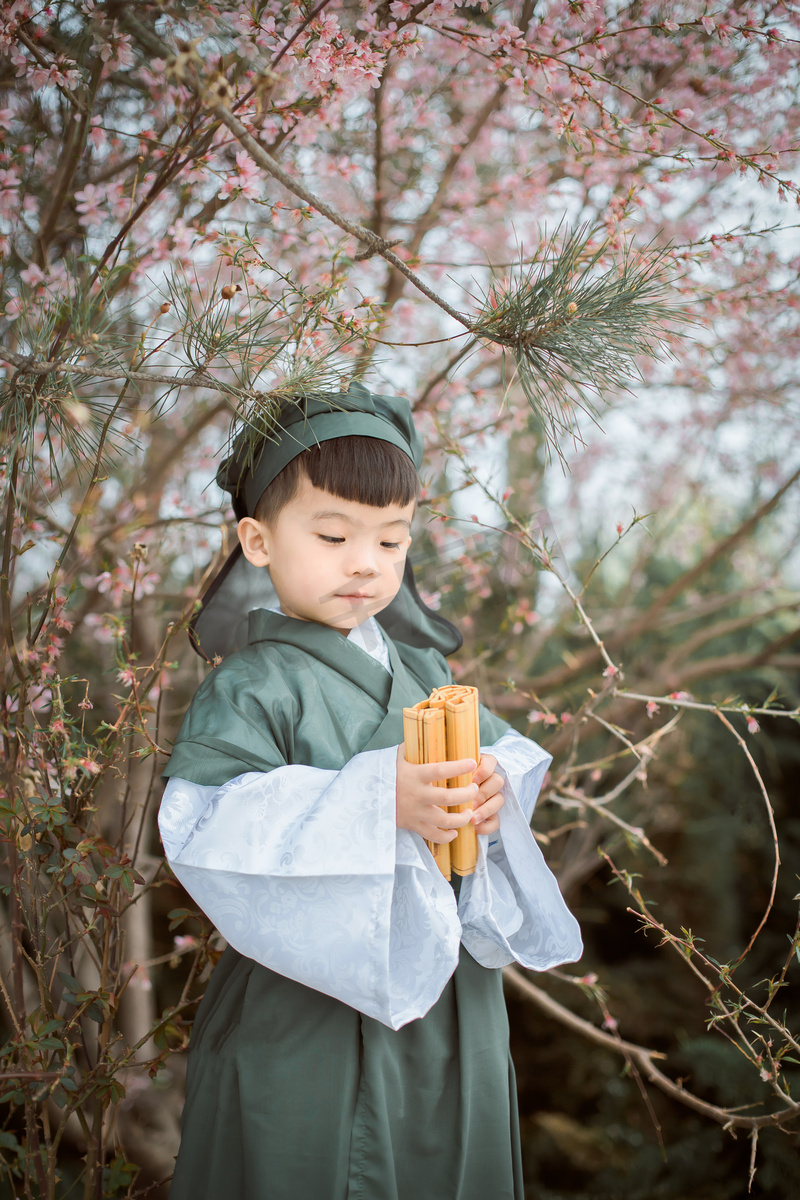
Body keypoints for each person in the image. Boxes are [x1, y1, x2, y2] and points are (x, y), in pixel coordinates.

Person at [158, 382, 582, 1200]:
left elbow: (504, 772)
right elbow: (204, 826)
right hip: (307, 1000)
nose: (367, 563)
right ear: (257, 539)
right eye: (333, 533)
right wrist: (375, 801)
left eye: (393, 541)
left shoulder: (424, 670)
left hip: (451, 997)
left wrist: (493, 795)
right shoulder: (252, 687)